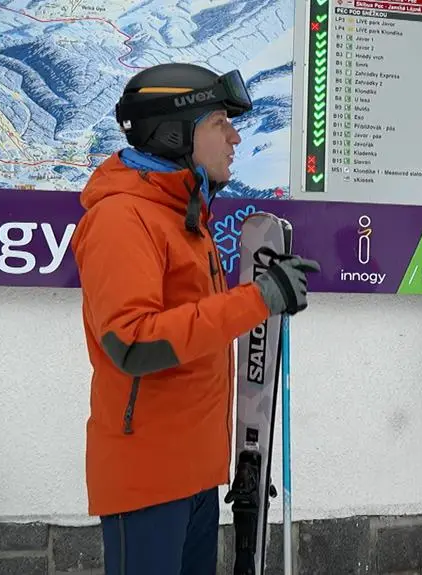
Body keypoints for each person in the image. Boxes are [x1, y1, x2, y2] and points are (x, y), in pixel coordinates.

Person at [70, 62, 320, 575]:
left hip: (197, 478)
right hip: (148, 484)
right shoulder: (123, 218)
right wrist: (256, 300)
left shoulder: (185, 219)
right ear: (173, 132)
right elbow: (133, 343)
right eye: (218, 123)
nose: (234, 136)